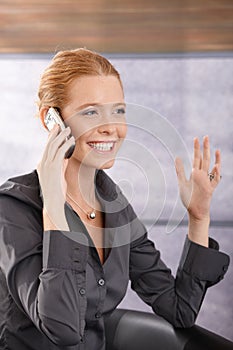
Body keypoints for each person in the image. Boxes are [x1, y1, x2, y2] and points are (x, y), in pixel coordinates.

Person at [0, 48, 230, 350]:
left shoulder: (115, 206)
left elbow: (179, 309)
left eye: (118, 110)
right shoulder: (12, 210)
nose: (111, 127)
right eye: (91, 112)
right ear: (52, 120)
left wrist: (199, 218)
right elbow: (63, 329)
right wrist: (54, 205)